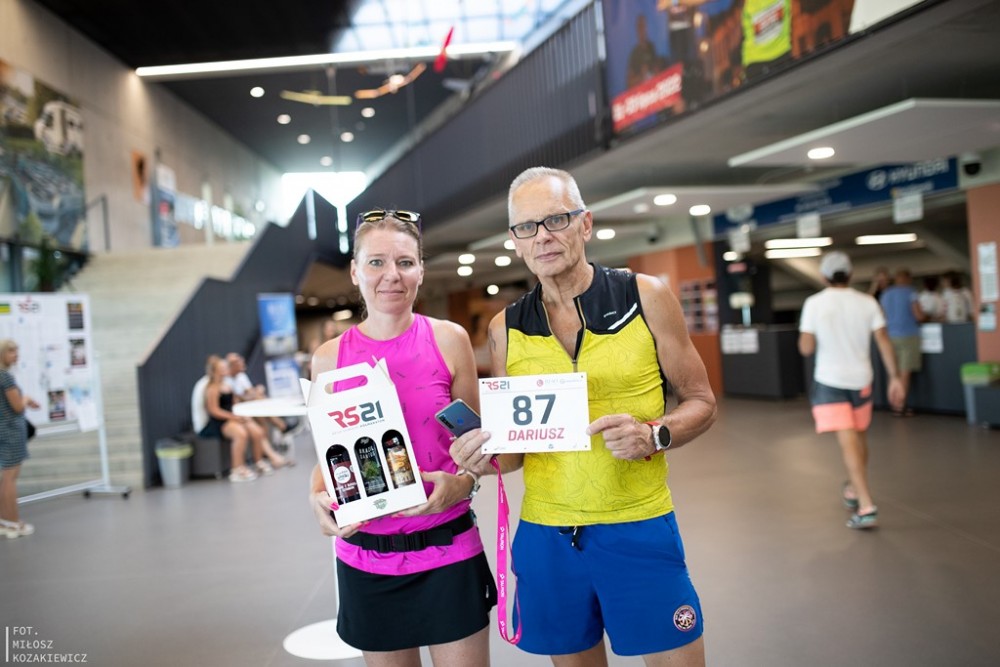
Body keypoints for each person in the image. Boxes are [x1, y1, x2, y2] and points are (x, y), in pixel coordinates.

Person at [450, 167, 717, 666]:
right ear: (515, 241)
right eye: (527, 227)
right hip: (547, 535)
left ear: (585, 223)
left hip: (637, 523)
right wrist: (482, 456)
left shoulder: (645, 296)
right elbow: (514, 455)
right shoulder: (506, 328)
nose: (543, 236)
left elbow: (702, 401)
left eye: (556, 219)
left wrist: (655, 434)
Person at [307, 208, 497, 665]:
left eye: (405, 262)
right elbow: (329, 455)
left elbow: (476, 445)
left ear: (420, 271)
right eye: (376, 262)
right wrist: (316, 496)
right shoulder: (329, 358)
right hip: (367, 558)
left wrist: (465, 483)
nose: (391, 275)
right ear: (355, 272)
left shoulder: (449, 340)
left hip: (449, 550)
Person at [798, 252, 905, 530]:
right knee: (858, 437)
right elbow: (883, 340)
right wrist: (895, 378)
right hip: (862, 380)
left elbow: (806, 348)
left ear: (824, 276)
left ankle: (866, 506)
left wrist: (813, 335)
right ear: (851, 274)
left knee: (848, 442)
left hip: (830, 381)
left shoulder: (814, 303)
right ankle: (853, 487)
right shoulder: (868, 302)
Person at [200, 355, 286, 482]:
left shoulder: (227, 385)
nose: (225, 370)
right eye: (222, 368)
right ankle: (237, 469)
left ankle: (258, 462)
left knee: (257, 431)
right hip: (220, 422)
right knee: (241, 434)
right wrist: (233, 417)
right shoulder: (212, 388)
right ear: (215, 371)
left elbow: (235, 402)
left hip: (233, 417)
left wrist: (241, 415)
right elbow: (214, 410)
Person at [0, 340, 40, 538]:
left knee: (5, 478)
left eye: (16, 350)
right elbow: (17, 407)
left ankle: (5, 521)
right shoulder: (5, 377)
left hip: (3, 429)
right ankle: (14, 523)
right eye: (11, 351)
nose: (15, 354)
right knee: (10, 477)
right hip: (11, 430)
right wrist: (26, 399)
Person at [224, 352, 299, 455]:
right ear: (232, 366)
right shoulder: (226, 381)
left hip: (247, 408)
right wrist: (252, 395)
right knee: (259, 406)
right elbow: (237, 399)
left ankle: (270, 448)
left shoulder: (241, 376)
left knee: (261, 412)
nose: (242, 363)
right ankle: (281, 426)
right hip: (237, 412)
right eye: (238, 362)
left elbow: (249, 392)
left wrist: (255, 392)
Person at [879, 268, 926, 417]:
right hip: (908, 335)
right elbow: (918, 315)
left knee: (893, 372)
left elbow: (881, 316)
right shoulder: (911, 292)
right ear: (908, 279)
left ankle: (893, 404)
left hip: (890, 336)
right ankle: (900, 406)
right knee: (905, 372)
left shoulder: (886, 293)